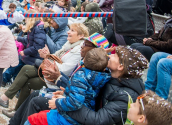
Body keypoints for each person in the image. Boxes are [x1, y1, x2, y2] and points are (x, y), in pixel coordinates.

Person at [14, 46, 149, 125]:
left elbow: (97, 120)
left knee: (37, 105)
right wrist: (66, 89)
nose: (110, 56)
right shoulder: (109, 75)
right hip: (79, 108)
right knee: (37, 97)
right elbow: (86, 89)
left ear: (120, 66)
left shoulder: (125, 95)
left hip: (81, 116)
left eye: (115, 55)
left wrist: (63, 101)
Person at [0, 23, 88, 118]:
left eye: (72, 30)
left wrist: (47, 57)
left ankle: (11, 105)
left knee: (28, 77)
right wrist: (47, 55)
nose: (68, 32)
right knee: (26, 69)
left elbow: (64, 70)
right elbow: (56, 57)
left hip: (56, 82)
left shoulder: (78, 51)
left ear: (80, 36)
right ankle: (14, 107)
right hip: (48, 73)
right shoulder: (69, 45)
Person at [8, 33, 109, 124]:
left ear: (95, 50)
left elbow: (76, 93)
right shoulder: (84, 62)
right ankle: (15, 119)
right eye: (82, 43)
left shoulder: (86, 66)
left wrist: (57, 77)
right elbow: (75, 86)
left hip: (69, 105)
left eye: (85, 44)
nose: (81, 46)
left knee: (35, 99)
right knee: (33, 90)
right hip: (64, 93)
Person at [25, 48, 111, 125]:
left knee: (31, 120)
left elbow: (75, 102)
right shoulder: (104, 76)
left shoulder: (81, 76)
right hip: (85, 112)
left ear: (84, 61)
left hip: (70, 117)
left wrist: (57, 102)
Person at [1, 10, 46, 86]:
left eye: (26, 18)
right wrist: (18, 38)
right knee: (16, 67)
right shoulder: (34, 27)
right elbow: (29, 40)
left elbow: (37, 47)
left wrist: (25, 52)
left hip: (32, 57)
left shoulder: (38, 29)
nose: (25, 20)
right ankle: (5, 80)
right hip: (29, 55)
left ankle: (4, 81)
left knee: (16, 66)